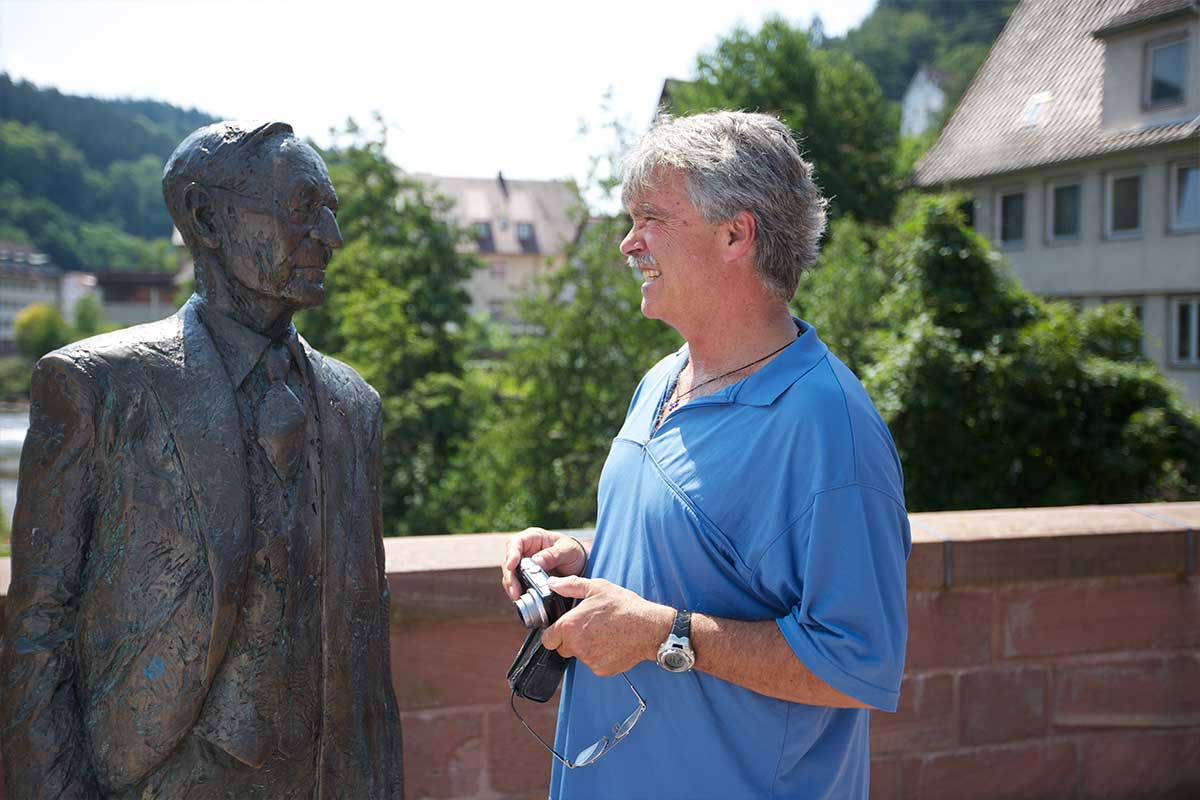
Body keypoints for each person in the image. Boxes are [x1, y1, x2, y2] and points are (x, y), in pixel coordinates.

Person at [501, 111, 910, 799]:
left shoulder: (828, 426)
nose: (629, 243)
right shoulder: (661, 380)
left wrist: (664, 633)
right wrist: (586, 566)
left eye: (650, 217)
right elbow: (701, 562)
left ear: (735, 233)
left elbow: (856, 662)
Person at [0, 121, 403, 799]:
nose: (330, 238)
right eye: (304, 210)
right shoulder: (98, 387)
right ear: (204, 216)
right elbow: (40, 631)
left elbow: (369, 637)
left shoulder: (352, 407)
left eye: (332, 213)